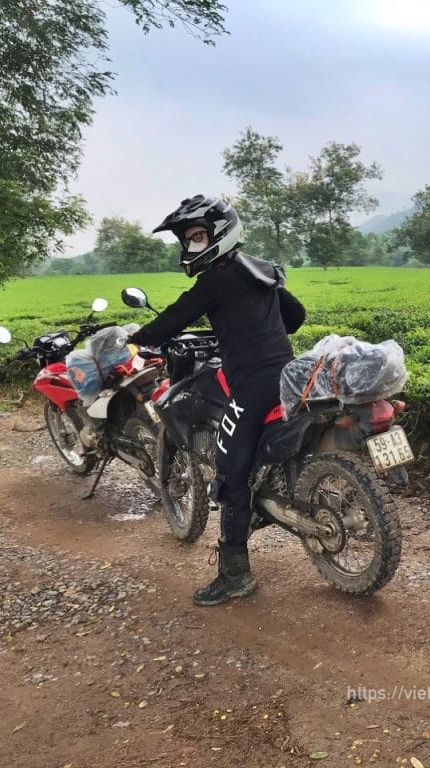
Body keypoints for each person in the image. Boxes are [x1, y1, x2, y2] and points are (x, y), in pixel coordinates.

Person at [128, 195, 306, 606]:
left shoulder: (216, 279)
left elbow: (174, 318)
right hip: (289, 377)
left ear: (220, 234)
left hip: (253, 386)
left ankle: (235, 575)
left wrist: (135, 337)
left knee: (229, 476)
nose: (190, 247)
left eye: (196, 237)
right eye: (187, 239)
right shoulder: (260, 271)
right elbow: (295, 318)